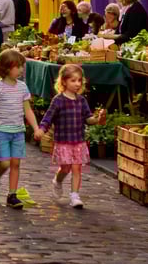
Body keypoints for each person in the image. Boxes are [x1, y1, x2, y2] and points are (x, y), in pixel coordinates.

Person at [35, 64, 107, 209]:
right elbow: (48, 118)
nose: (77, 84)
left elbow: (88, 119)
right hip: (63, 141)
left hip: (78, 141)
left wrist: (97, 119)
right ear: (64, 82)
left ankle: (75, 195)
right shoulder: (58, 100)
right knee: (66, 168)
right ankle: (58, 180)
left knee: (76, 168)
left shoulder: (81, 100)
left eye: (79, 80)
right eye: (73, 81)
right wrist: (41, 129)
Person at [0, 49, 41, 209]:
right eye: (18, 66)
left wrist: (36, 128)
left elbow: (27, 110)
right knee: (5, 164)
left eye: (22, 66)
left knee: (15, 164)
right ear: (7, 68)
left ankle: (12, 195)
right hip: (1, 131)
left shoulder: (22, 87)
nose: (21, 70)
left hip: (18, 131)